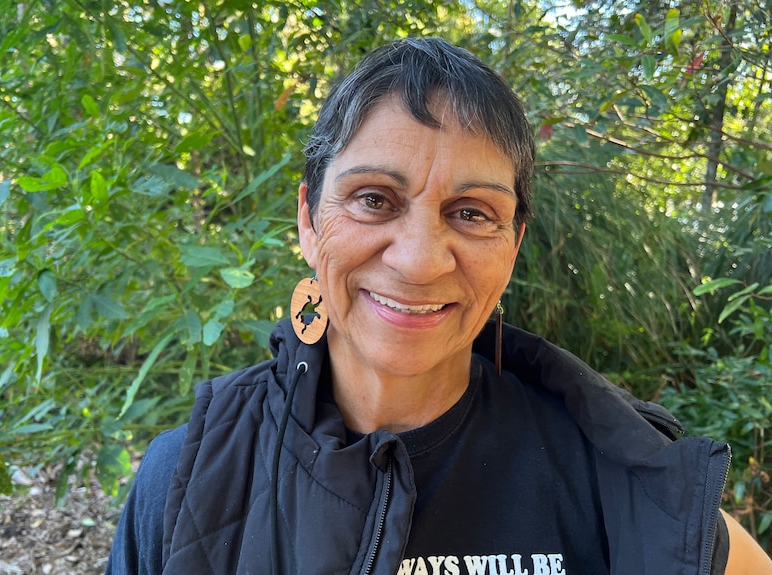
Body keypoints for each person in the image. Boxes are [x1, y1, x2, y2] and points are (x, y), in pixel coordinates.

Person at [106, 37, 772, 575]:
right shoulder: (187, 473)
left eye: (471, 212)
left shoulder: (604, 466)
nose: (421, 259)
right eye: (374, 198)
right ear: (309, 218)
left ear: (512, 244)